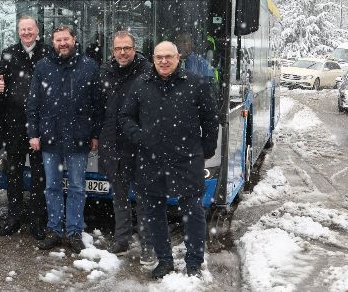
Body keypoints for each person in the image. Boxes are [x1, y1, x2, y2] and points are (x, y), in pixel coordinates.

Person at [119, 41, 219, 279]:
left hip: (186, 160)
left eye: (168, 57)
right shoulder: (141, 84)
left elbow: (210, 119)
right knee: (154, 213)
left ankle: (194, 262)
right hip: (151, 160)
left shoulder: (196, 83)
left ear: (178, 58)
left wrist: (206, 149)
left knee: (192, 212)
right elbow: (125, 117)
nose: (163, 61)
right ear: (153, 58)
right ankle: (165, 261)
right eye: (159, 57)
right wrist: (140, 137)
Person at [27, 26, 103, 253]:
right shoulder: (42, 66)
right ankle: (54, 230)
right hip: (50, 137)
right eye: (58, 39)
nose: (63, 43)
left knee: (78, 187)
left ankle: (74, 232)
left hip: (79, 136)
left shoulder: (89, 66)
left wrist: (95, 134)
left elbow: (97, 104)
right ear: (53, 42)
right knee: (52, 186)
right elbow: (33, 103)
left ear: (74, 40)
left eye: (66, 39)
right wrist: (33, 133)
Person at [98, 31, 155, 264]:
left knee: (144, 198)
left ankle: (148, 244)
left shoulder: (148, 72)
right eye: (118, 49)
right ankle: (121, 239)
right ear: (112, 51)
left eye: (127, 48)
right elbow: (98, 106)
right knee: (119, 196)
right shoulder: (105, 72)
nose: (122, 53)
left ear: (135, 48)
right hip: (112, 143)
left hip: (139, 144)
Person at [0, 16, 50, 239]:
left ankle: (38, 220)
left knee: (39, 175)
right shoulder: (9, 53)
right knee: (14, 173)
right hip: (14, 124)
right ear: (18, 32)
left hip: (39, 123)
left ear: (37, 31)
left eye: (30, 29)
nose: (26, 33)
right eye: (23, 29)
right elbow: (1, 83)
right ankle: (14, 216)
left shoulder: (48, 53)